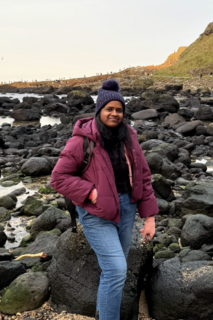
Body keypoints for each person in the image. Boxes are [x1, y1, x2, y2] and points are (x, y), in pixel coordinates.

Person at [51, 79, 158, 320]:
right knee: (117, 269)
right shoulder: (82, 140)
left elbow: (143, 176)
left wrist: (149, 217)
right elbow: (58, 178)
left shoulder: (129, 137)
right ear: (99, 111)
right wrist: (91, 192)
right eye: (109, 109)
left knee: (113, 272)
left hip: (127, 209)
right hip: (96, 213)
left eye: (119, 110)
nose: (114, 114)